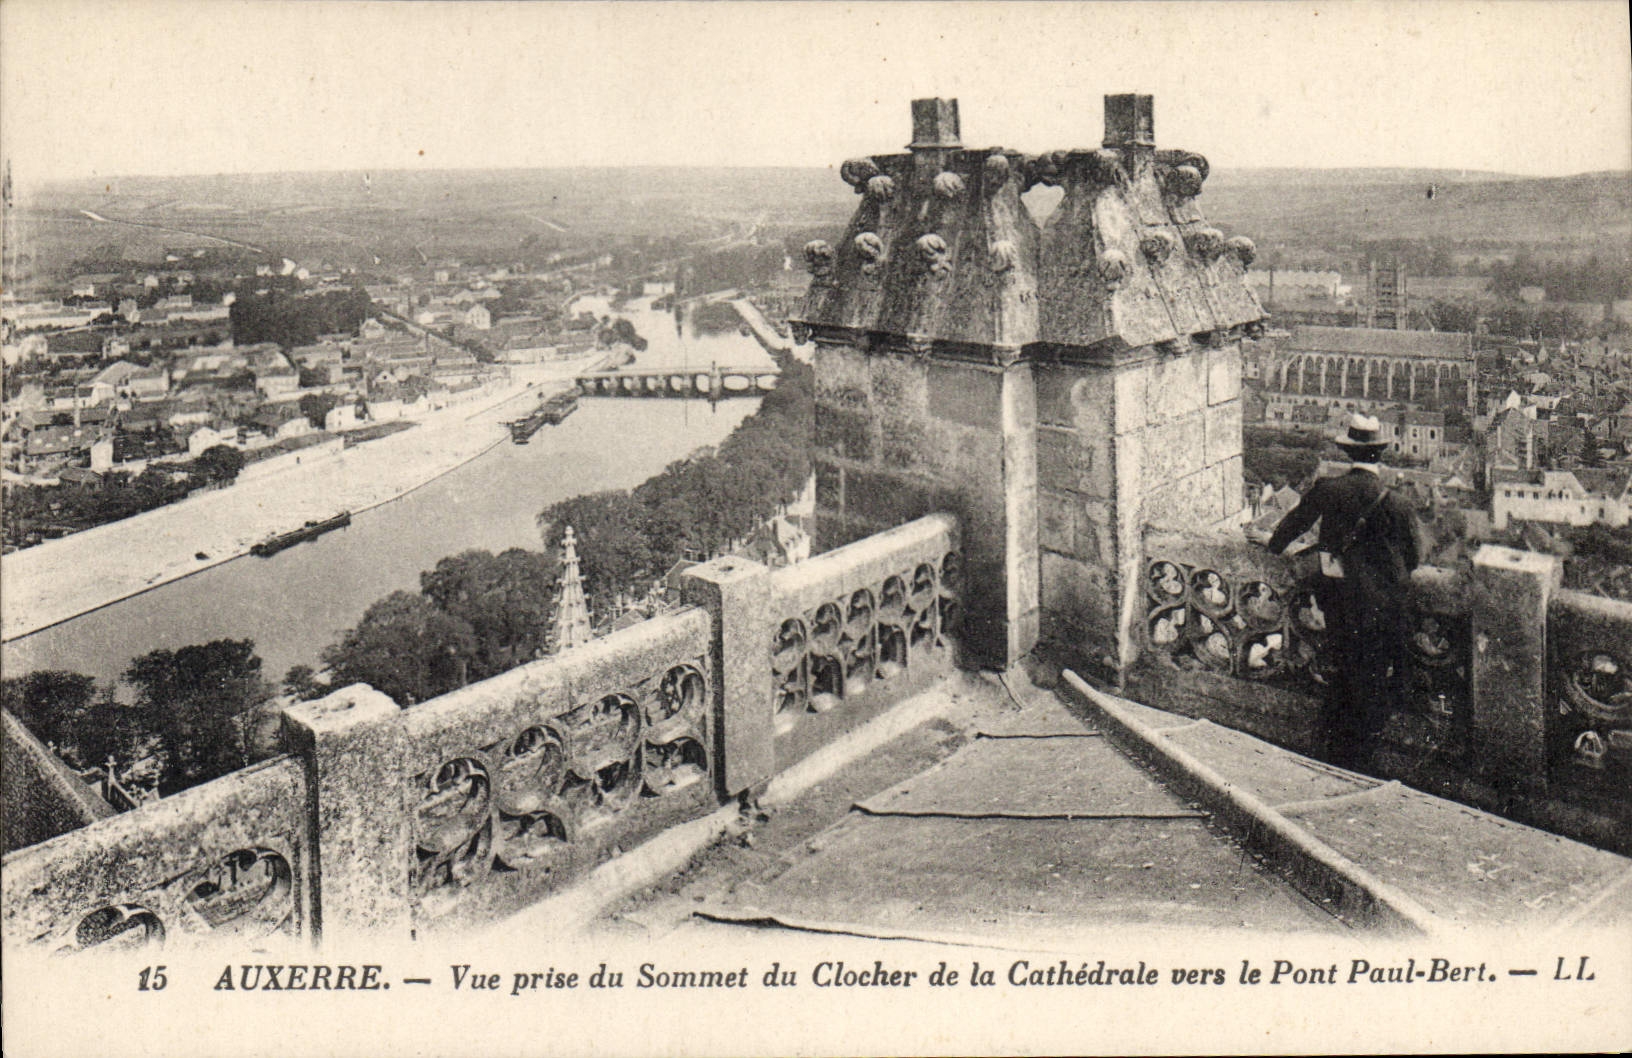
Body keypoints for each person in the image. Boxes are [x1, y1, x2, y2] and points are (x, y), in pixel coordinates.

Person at [1266, 413, 1420, 770]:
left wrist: (1274, 547)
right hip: (1383, 606)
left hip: (1338, 599)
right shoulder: (1398, 502)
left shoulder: (1328, 489)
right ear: (1379, 455)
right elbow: (1414, 557)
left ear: (1349, 452)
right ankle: (1361, 754)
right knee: (1374, 675)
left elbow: (1289, 527)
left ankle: (1335, 749)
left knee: (1344, 666)